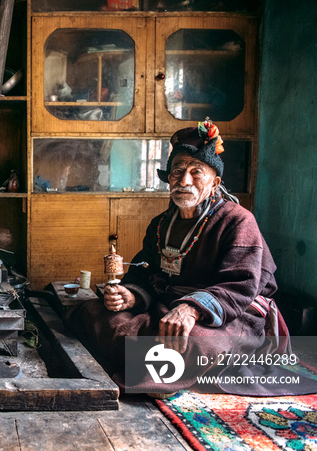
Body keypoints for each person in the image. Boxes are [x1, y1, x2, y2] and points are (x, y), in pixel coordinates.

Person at [66, 119, 291, 394]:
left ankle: (151, 364)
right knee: (96, 313)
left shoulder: (238, 221)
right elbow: (144, 272)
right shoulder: (161, 224)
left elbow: (241, 285)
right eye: (177, 171)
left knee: (192, 343)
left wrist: (191, 309)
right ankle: (150, 362)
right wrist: (131, 294)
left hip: (227, 314)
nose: (184, 180)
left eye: (196, 172)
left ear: (214, 183)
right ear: (169, 178)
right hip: (168, 307)